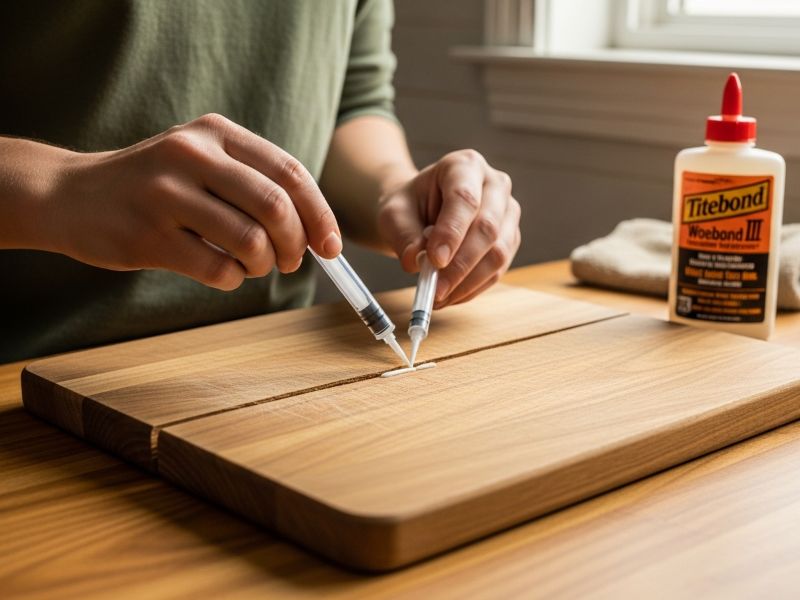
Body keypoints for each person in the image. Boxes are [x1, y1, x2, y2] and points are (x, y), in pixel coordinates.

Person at [0, 1, 520, 363]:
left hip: (271, 353)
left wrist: (394, 191)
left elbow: (350, 101)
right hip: (28, 373)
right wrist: (64, 189)